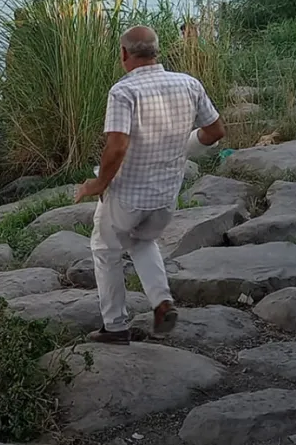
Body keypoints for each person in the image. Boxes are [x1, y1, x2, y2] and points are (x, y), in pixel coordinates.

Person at [75, 25, 225, 345]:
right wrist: (183, 147)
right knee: (142, 242)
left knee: (105, 251)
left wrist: (98, 183)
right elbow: (215, 133)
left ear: (124, 54)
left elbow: (117, 147)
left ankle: (114, 326)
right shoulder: (189, 84)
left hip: (128, 195)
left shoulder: (123, 91)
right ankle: (161, 301)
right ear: (156, 51)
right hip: (165, 195)